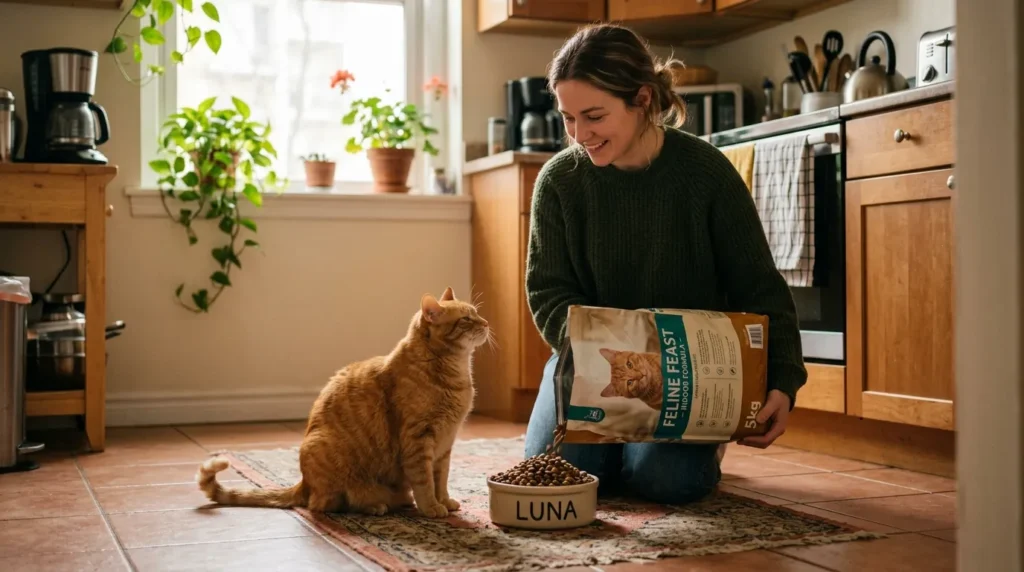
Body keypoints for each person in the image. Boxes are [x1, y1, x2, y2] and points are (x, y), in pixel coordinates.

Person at [523, 24, 808, 505]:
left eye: (594, 116)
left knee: (666, 482)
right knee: (562, 473)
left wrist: (783, 380)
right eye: (568, 118)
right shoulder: (558, 181)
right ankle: (622, 449)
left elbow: (758, 285)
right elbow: (547, 291)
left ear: (642, 99)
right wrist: (594, 358)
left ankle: (684, 449)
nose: (579, 135)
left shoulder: (707, 173)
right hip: (593, 363)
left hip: (688, 373)